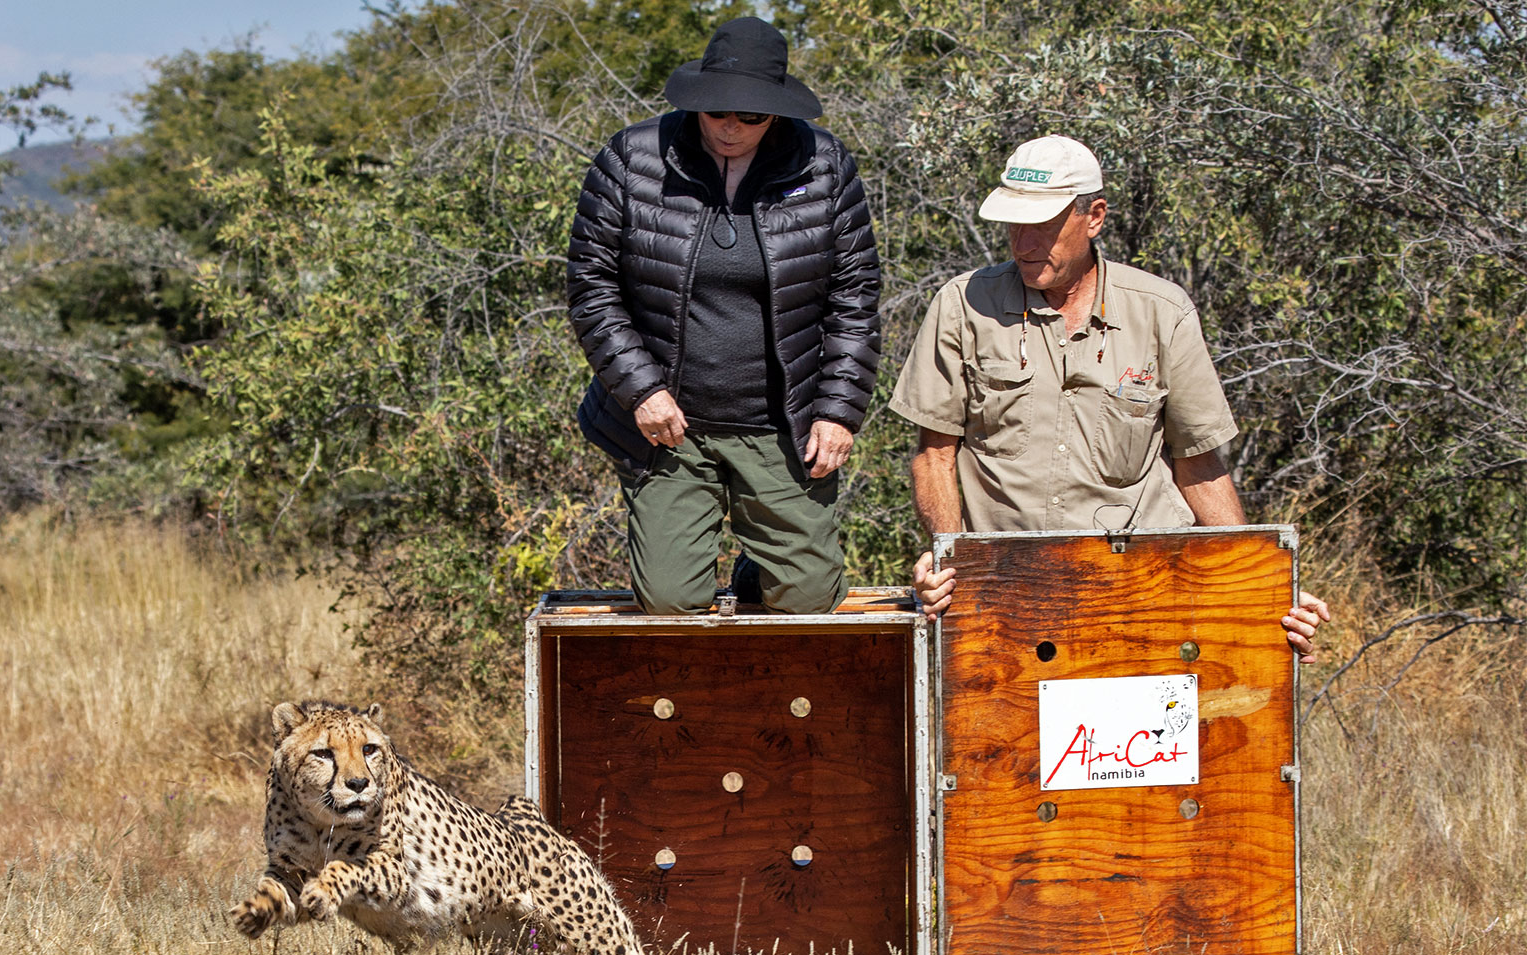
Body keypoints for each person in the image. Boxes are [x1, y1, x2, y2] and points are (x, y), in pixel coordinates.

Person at [888, 135, 1329, 659]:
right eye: (1013, 225)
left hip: (1140, 587)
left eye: (1043, 226)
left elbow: (1199, 467)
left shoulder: (1161, 312)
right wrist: (948, 556)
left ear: (1093, 216)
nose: (1023, 244)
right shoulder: (962, 306)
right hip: (1008, 590)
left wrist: (1262, 585)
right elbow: (934, 456)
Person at [566, 16, 881, 616]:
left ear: (778, 113)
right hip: (669, 425)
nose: (732, 127)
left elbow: (854, 298)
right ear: (697, 102)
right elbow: (591, 285)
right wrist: (642, 392)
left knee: (809, 599)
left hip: (780, 426)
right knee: (669, 599)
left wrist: (838, 413)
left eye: (752, 116)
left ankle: (757, 566)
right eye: (717, 112)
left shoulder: (825, 166)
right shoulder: (632, 159)